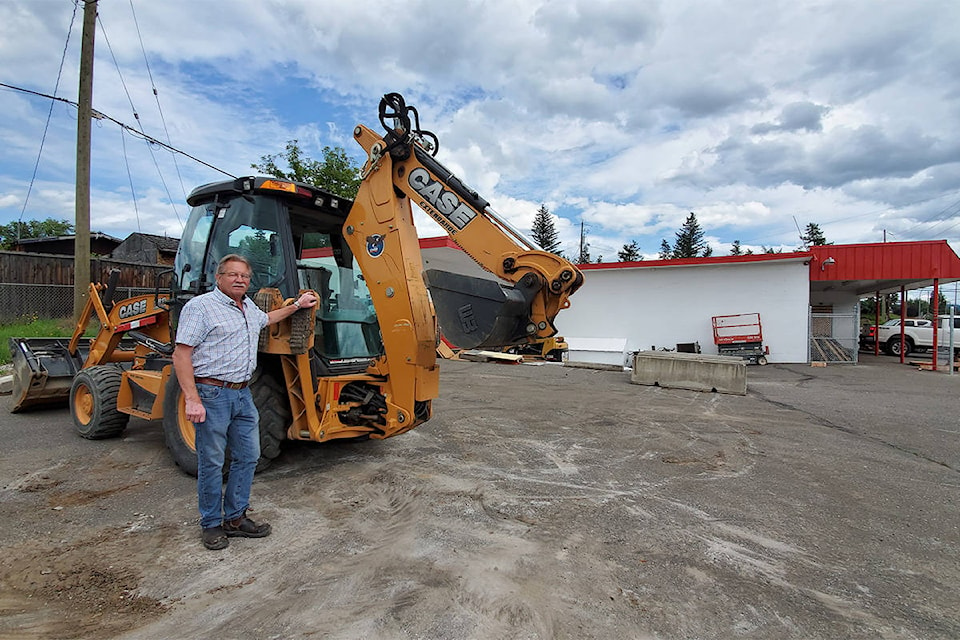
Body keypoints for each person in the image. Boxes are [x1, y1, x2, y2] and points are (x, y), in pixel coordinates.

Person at [172, 254, 318, 550]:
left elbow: (267, 319)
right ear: (219, 277)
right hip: (212, 394)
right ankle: (211, 523)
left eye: (245, 276)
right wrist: (192, 399)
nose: (240, 280)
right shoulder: (200, 308)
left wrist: (296, 306)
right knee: (212, 462)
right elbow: (181, 354)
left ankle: (236, 518)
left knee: (248, 456)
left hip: (243, 393)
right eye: (233, 275)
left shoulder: (248, 306)